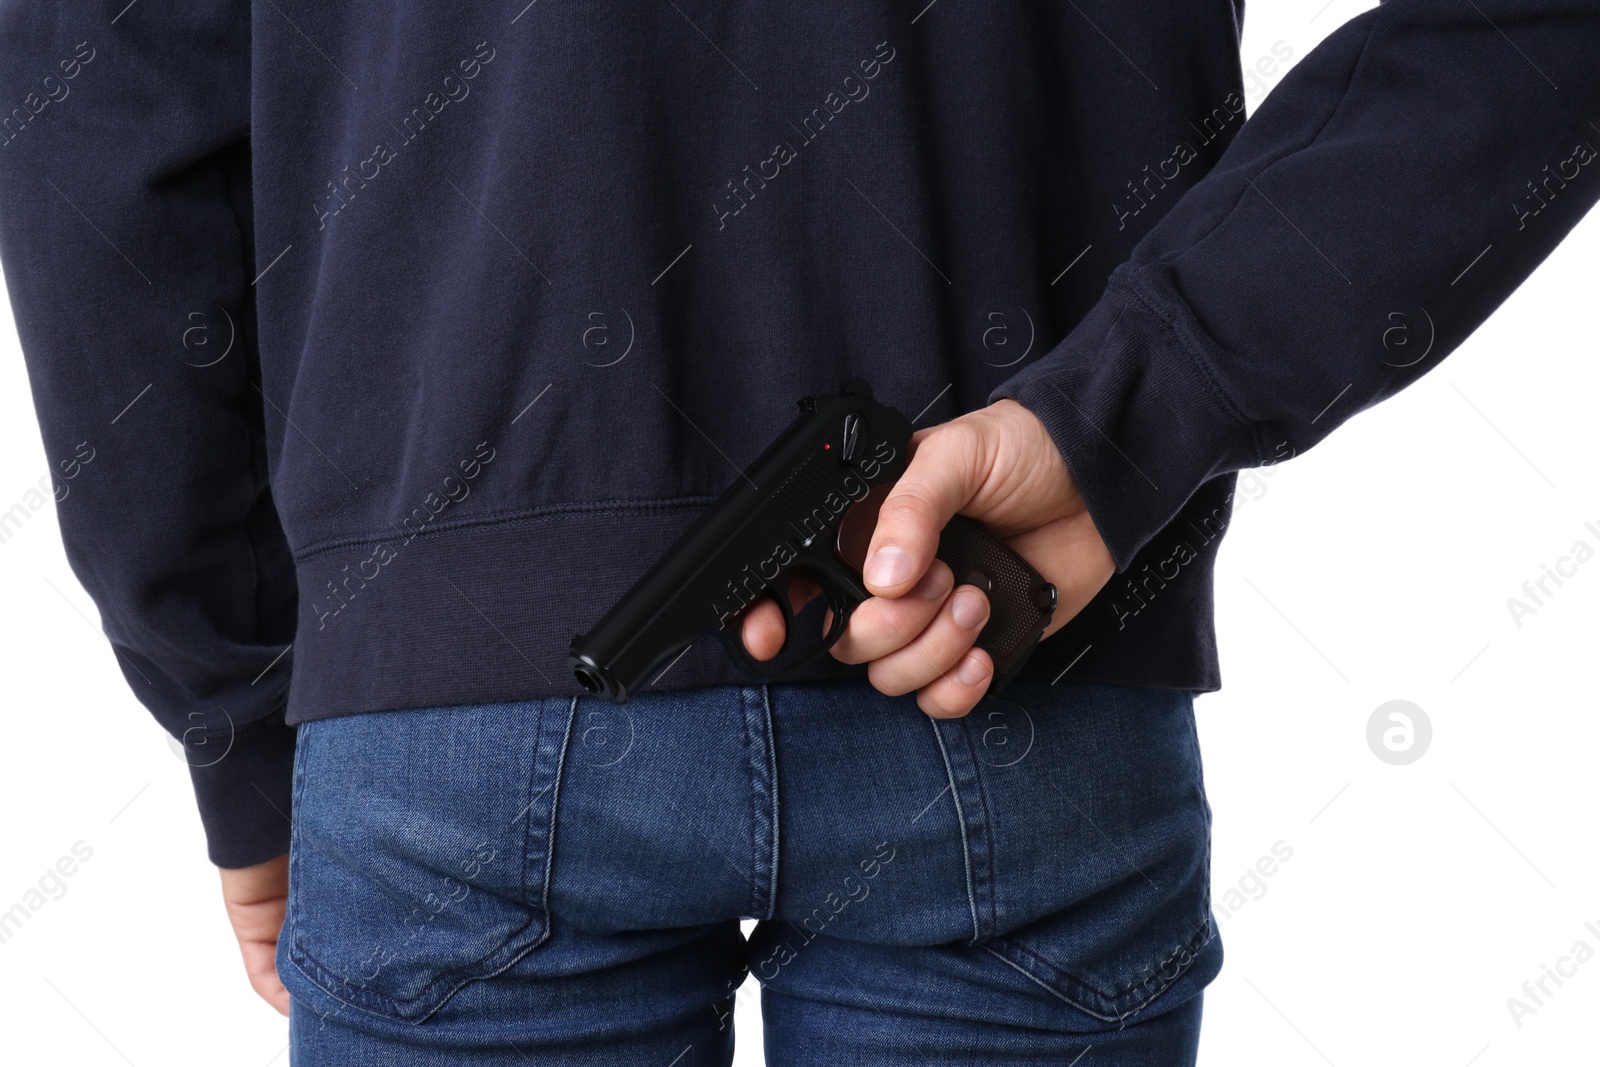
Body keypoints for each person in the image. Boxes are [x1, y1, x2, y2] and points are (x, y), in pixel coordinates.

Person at [1, 1, 1595, 1063]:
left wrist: (238, 701)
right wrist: (1124, 410)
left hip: (452, 723)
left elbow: (100, 126)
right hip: (1015, 665)